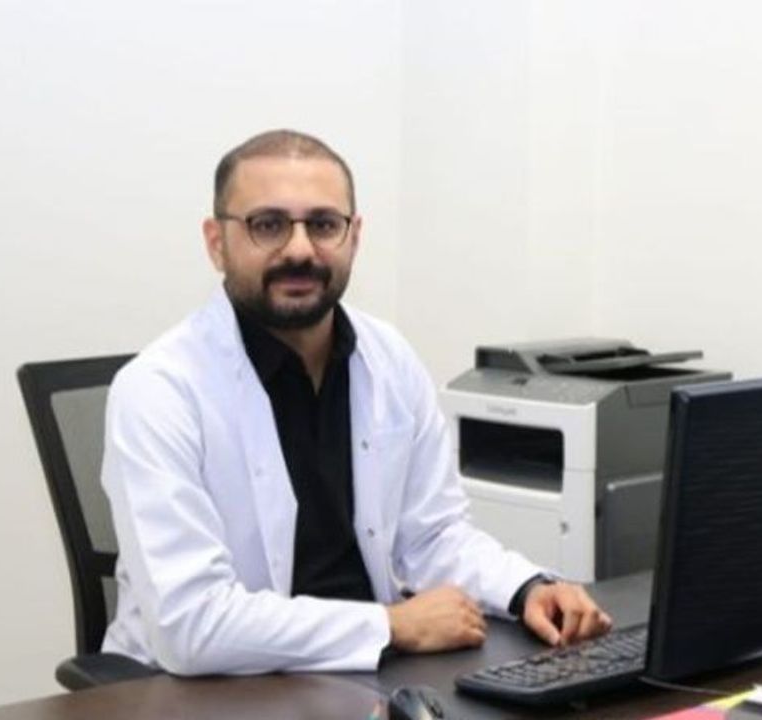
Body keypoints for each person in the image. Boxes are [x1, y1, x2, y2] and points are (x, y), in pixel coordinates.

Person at [100, 129, 612, 674]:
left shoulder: (388, 358)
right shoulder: (158, 390)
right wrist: (391, 626)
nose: (300, 250)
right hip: (197, 690)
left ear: (354, 236)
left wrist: (527, 588)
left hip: (361, 676)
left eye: (323, 224)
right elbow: (190, 624)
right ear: (216, 242)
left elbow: (431, 535)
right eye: (268, 225)